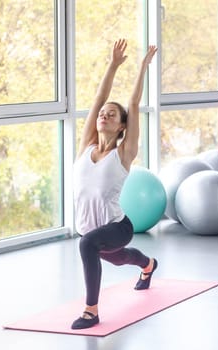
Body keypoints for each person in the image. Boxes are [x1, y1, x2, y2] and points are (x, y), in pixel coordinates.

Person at [71, 39, 159, 330]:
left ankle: (91, 311)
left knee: (88, 244)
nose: (103, 115)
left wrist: (143, 67)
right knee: (121, 259)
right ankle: (148, 265)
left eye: (111, 114)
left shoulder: (123, 153)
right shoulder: (85, 147)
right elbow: (97, 99)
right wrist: (113, 65)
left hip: (117, 227)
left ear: (122, 126)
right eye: (101, 114)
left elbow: (133, 104)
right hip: (94, 230)